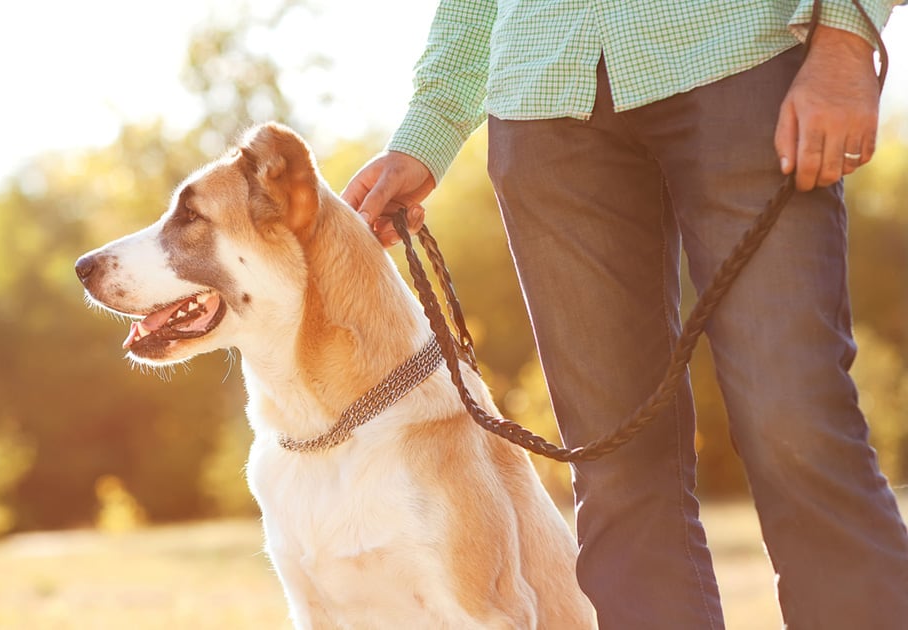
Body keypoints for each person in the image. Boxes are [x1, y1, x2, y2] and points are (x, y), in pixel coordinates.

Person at [341, 1, 908, 628]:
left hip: (740, 53)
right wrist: (429, 127)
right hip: (544, 97)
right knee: (616, 475)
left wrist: (844, 40)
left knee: (797, 427)